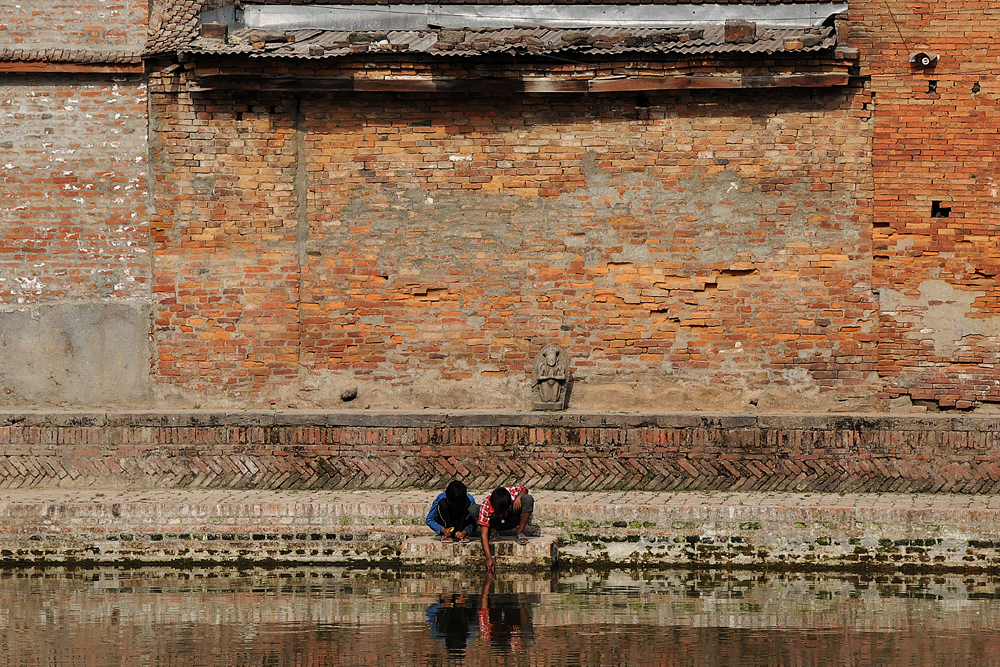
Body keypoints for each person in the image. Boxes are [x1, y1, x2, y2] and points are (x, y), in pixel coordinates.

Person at [477, 485, 534, 571]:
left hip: (510, 519)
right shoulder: (486, 506)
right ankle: (492, 531)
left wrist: (519, 497)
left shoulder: (510, 493)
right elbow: (483, 535)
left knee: (528, 499)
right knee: (474, 510)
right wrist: (488, 558)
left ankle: (520, 532)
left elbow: (525, 489)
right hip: (496, 524)